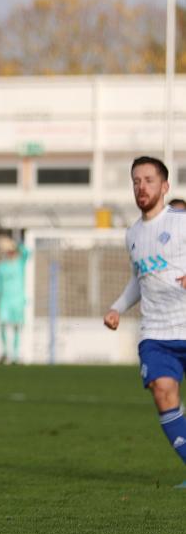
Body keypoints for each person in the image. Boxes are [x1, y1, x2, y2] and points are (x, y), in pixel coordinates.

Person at [104, 156, 186, 488]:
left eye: (149, 180)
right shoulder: (133, 234)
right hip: (155, 331)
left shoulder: (181, 222)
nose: (142, 186)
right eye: (136, 180)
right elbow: (140, 278)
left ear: (165, 186)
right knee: (162, 392)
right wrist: (116, 308)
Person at [0, 236, 29, 364]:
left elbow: (27, 252)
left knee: (17, 326)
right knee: (3, 324)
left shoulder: (20, 263)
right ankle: (5, 352)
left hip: (18, 300)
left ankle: (15, 355)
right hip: (5, 300)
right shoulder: (1, 266)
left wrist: (15, 244)